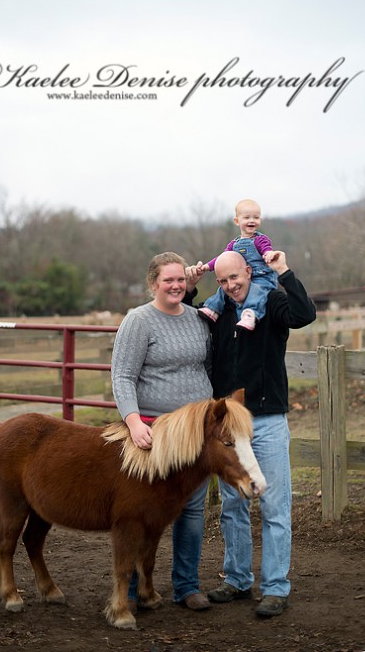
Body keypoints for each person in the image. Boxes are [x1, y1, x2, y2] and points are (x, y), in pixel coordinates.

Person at [185, 249, 316, 617]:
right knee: (232, 506)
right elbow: (186, 323)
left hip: (267, 419)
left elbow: (304, 314)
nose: (230, 286)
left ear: (249, 271)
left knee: (274, 505)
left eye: (235, 278)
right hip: (229, 425)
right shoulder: (219, 311)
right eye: (223, 281)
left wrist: (285, 272)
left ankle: (275, 587)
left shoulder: (271, 300)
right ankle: (238, 580)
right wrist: (192, 292)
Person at [111, 251, 213, 612]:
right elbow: (123, 375)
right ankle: (134, 586)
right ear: (153, 283)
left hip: (195, 434)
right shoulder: (139, 321)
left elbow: (206, 366)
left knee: (192, 511)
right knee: (143, 511)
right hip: (153, 434)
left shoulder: (198, 319)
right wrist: (133, 420)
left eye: (179, 280)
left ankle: (186, 584)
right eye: (167, 280)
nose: (174, 285)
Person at [198, 198, 277, 331]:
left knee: (257, 291)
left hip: (261, 276)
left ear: (260, 220)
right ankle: (213, 309)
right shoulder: (234, 244)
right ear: (237, 221)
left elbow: (266, 249)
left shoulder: (260, 239)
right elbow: (222, 258)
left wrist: (269, 254)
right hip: (241, 277)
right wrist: (207, 266)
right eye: (247, 217)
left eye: (256, 217)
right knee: (223, 289)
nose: (251, 220)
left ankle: (250, 314)